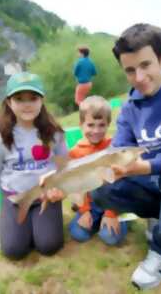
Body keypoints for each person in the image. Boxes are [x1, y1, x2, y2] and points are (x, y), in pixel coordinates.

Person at [91, 23, 161, 290]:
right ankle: (159, 218)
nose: (140, 76)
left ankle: (160, 252)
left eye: (146, 65)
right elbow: (118, 148)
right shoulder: (129, 109)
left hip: (158, 174)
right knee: (101, 188)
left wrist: (144, 167)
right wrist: (115, 166)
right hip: (152, 183)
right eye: (130, 70)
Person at [0, 71, 67, 259]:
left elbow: (64, 166)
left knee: (49, 246)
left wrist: (57, 190)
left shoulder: (55, 134)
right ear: (9, 102)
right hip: (14, 199)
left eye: (33, 98)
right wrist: (12, 195)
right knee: (14, 251)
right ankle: (18, 226)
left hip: (45, 198)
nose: (27, 104)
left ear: (42, 100)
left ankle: (39, 224)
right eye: (19, 99)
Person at [69, 96, 128, 245]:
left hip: (113, 201)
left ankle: (120, 218)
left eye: (101, 125)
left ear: (108, 124)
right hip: (91, 204)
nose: (96, 131)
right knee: (78, 233)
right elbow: (76, 186)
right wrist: (84, 211)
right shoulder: (75, 153)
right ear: (81, 125)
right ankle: (95, 219)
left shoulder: (114, 148)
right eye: (90, 125)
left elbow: (121, 183)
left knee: (110, 237)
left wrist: (111, 212)